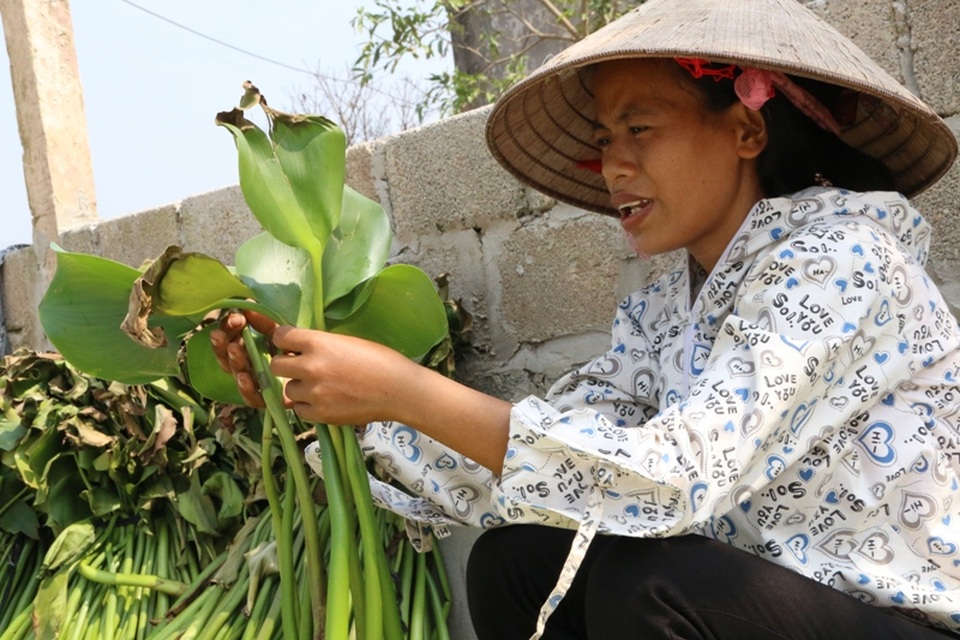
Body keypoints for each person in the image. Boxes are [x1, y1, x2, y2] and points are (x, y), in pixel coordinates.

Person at [211, 0, 960, 637]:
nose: (613, 166)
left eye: (641, 130)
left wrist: (407, 390)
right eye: (606, 139)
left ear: (745, 131)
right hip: (770, 602)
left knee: (653, 583)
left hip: (895, 618)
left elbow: (677, 478)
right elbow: (552, 455)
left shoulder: (840, 259)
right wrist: (332, 401)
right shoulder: (667, 308)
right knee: (519, 559)